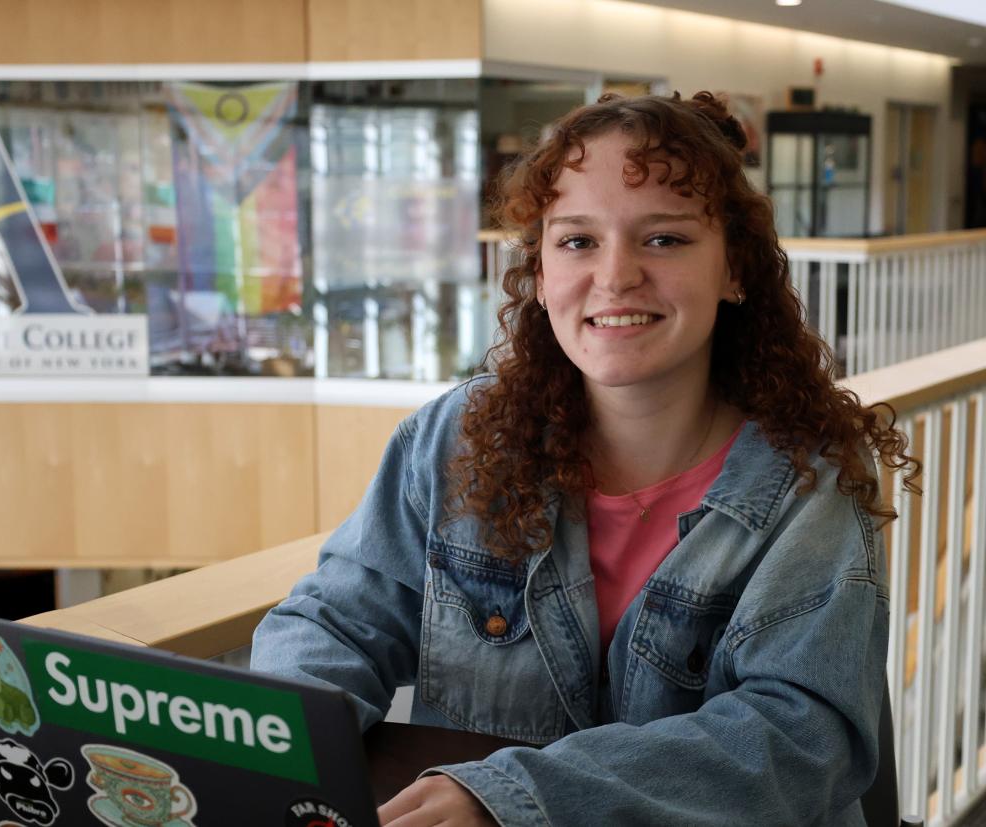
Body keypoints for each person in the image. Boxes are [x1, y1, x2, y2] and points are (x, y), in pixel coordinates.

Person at [250, 91, 919, 826]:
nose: (616, 274)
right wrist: (283, 761)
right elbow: (334, 622)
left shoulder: (807, 478)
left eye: (663, 239)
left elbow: (799, 736)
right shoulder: (456, 439)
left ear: (736, 271)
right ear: (539, 272)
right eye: (577, 241)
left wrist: (517, 799)